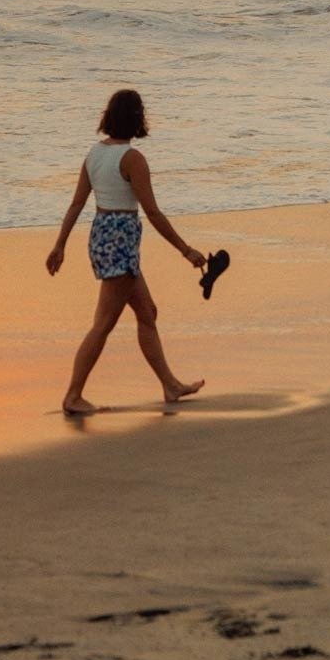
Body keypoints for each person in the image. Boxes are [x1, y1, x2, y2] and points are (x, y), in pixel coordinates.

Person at [46, 88, 213, 415]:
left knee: (147, 312)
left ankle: (170, 385)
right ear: (137, 118)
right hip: (120, 241)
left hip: (101, 235)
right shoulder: (133, 160)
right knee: (103, 323)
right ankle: (72, 395)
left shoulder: (94, 154)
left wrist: (61, 244)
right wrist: (186, 250)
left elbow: (77, 204)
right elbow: (152, 213)